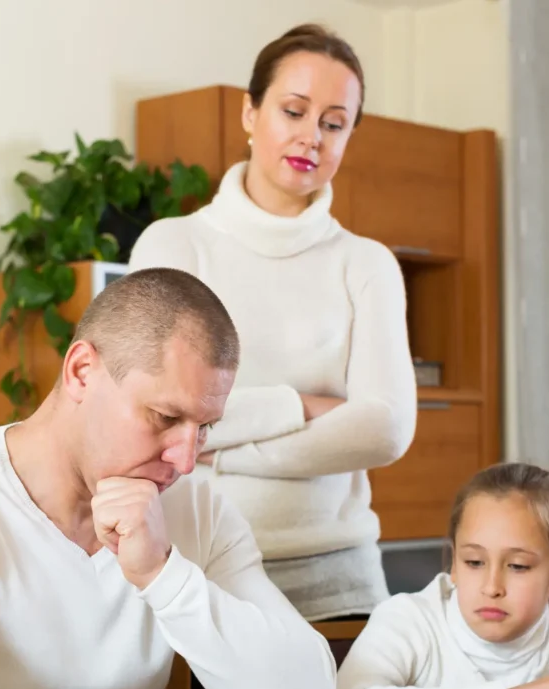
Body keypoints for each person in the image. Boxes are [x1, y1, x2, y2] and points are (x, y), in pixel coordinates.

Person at [0, 267, 338, 689]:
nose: (186, 461)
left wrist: (163, 576)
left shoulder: (196, 511)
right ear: (81, 371)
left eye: (205, 428)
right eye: (165, 417)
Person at [129, 24, 417, 622]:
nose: (311, 136)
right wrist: (302, 406)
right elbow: (152, 412)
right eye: (294, 110)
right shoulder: (174, 247)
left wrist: (221, 447)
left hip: (341, 576)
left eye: (334, 123)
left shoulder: (366, 264)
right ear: (250, 112)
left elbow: (385, 429)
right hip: (197, 575)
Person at [333, 462, 549, 689]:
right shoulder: (408, 621)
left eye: (518, 566)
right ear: (454, 563)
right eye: (474, 562)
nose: (491, 588)